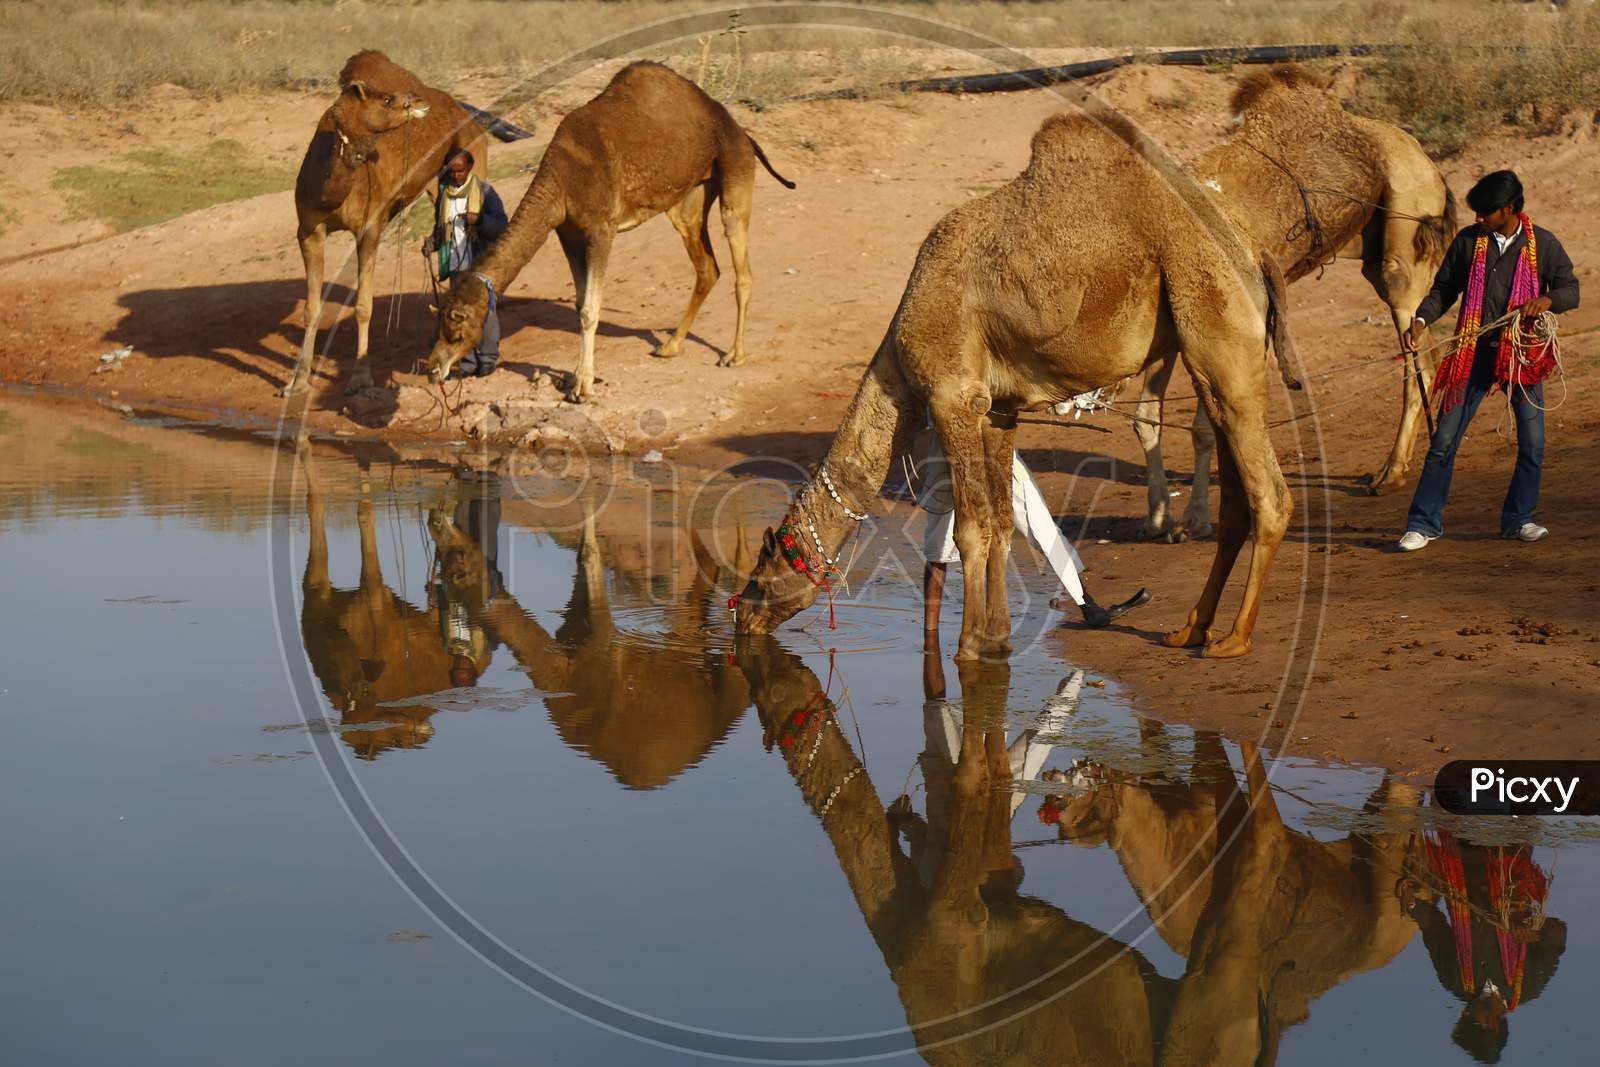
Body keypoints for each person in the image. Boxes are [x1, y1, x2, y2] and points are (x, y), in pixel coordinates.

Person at [1398, 170, 1579, 551]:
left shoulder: (1543, 245)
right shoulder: (1468, 242)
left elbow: (1570, 289)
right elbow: (1444, 289)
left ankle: (1518, 520)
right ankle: (1423, 523)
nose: (1478, 218)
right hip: (1472, 353)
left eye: (1485, 212)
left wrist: (1547, 301)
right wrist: (1419, 321)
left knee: (1533, 443)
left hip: (1522, 353)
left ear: (1508, 209)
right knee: (1444, 439)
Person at [917, 425, 1150, 633]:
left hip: (998, 442)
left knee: (1040, 525)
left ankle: (1087, 603)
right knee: (939, 542)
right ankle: (930, 633)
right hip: (950, 446)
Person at [423, 148, 509, 379]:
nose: (455, 175)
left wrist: (480, 220)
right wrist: (433, 242)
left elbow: (502, 226)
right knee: (456, 317)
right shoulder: (444, 196)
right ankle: (467, 362)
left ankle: (488, 358)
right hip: (454, 263)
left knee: (485, 313)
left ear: (469, 168)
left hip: (479, 266)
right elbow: (442, 227)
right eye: (452, 171)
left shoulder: (486, 192)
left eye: (459, 171)